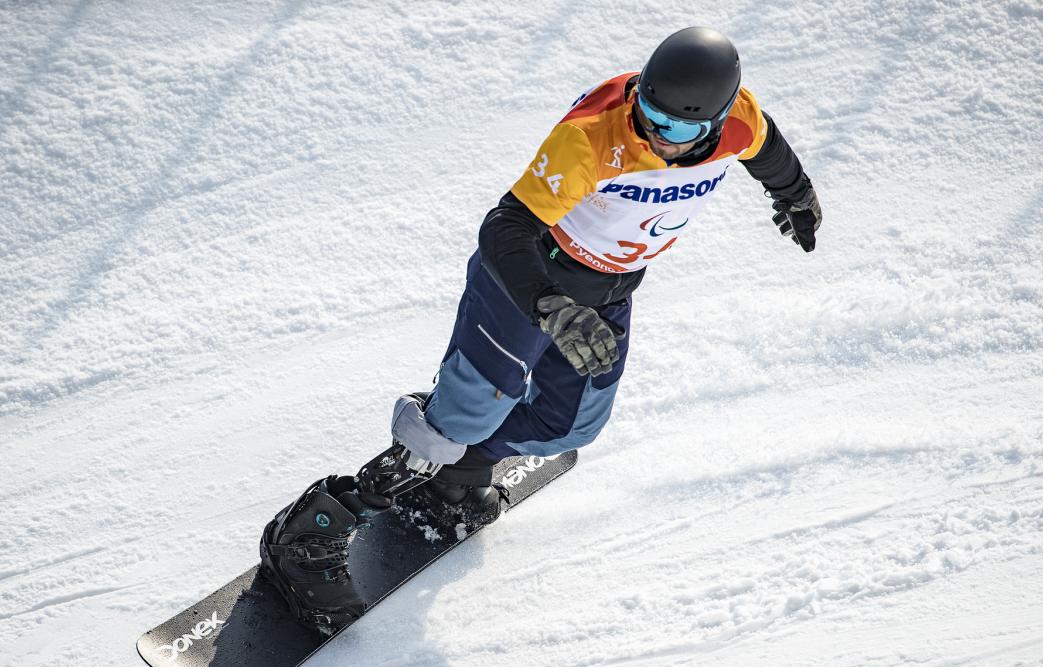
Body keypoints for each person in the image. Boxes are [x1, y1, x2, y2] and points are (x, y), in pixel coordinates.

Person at [260, 26, 822, 633]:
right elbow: (504, 229)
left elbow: (766, 148)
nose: (661, 137)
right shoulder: (590, 141)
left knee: (571, 425)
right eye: (651, 115)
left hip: (609, 291)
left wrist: (795, 192)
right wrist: (553, 307)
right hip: (526, 282)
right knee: (467, 415)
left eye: (683, 130)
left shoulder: (738, 118)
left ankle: (456, 468)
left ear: (714, 120)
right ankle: (317, 526)